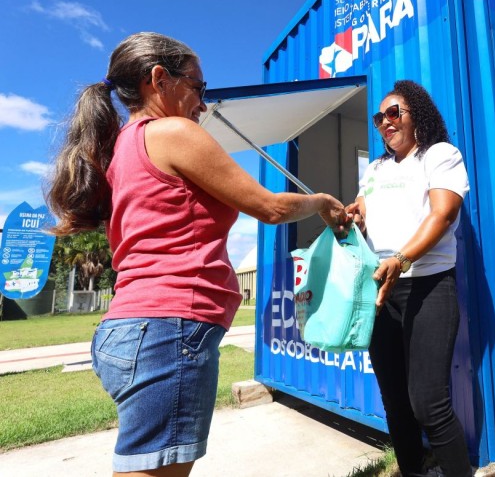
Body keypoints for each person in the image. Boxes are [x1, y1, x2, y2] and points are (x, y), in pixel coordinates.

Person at [46, 32, 348, 477]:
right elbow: (269, 207)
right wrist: (323, 202)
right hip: (168, 330)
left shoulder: (121, 148)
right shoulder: (172, 132)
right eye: (198, 87)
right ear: (158, 79)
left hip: (132, 327)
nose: (203, 105)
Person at [346, 80, 472, 476]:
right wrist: (352, 216)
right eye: (378, 117)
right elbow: (363, 211)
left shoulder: (439, 155)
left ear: (416, 113)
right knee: (396, 402)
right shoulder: (376, 168)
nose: (385, 122)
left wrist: (401, 258)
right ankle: (414, 470)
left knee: (429, 404)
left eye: (393, 113)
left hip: (428, 286)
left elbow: (443, 213)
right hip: (381, 291)